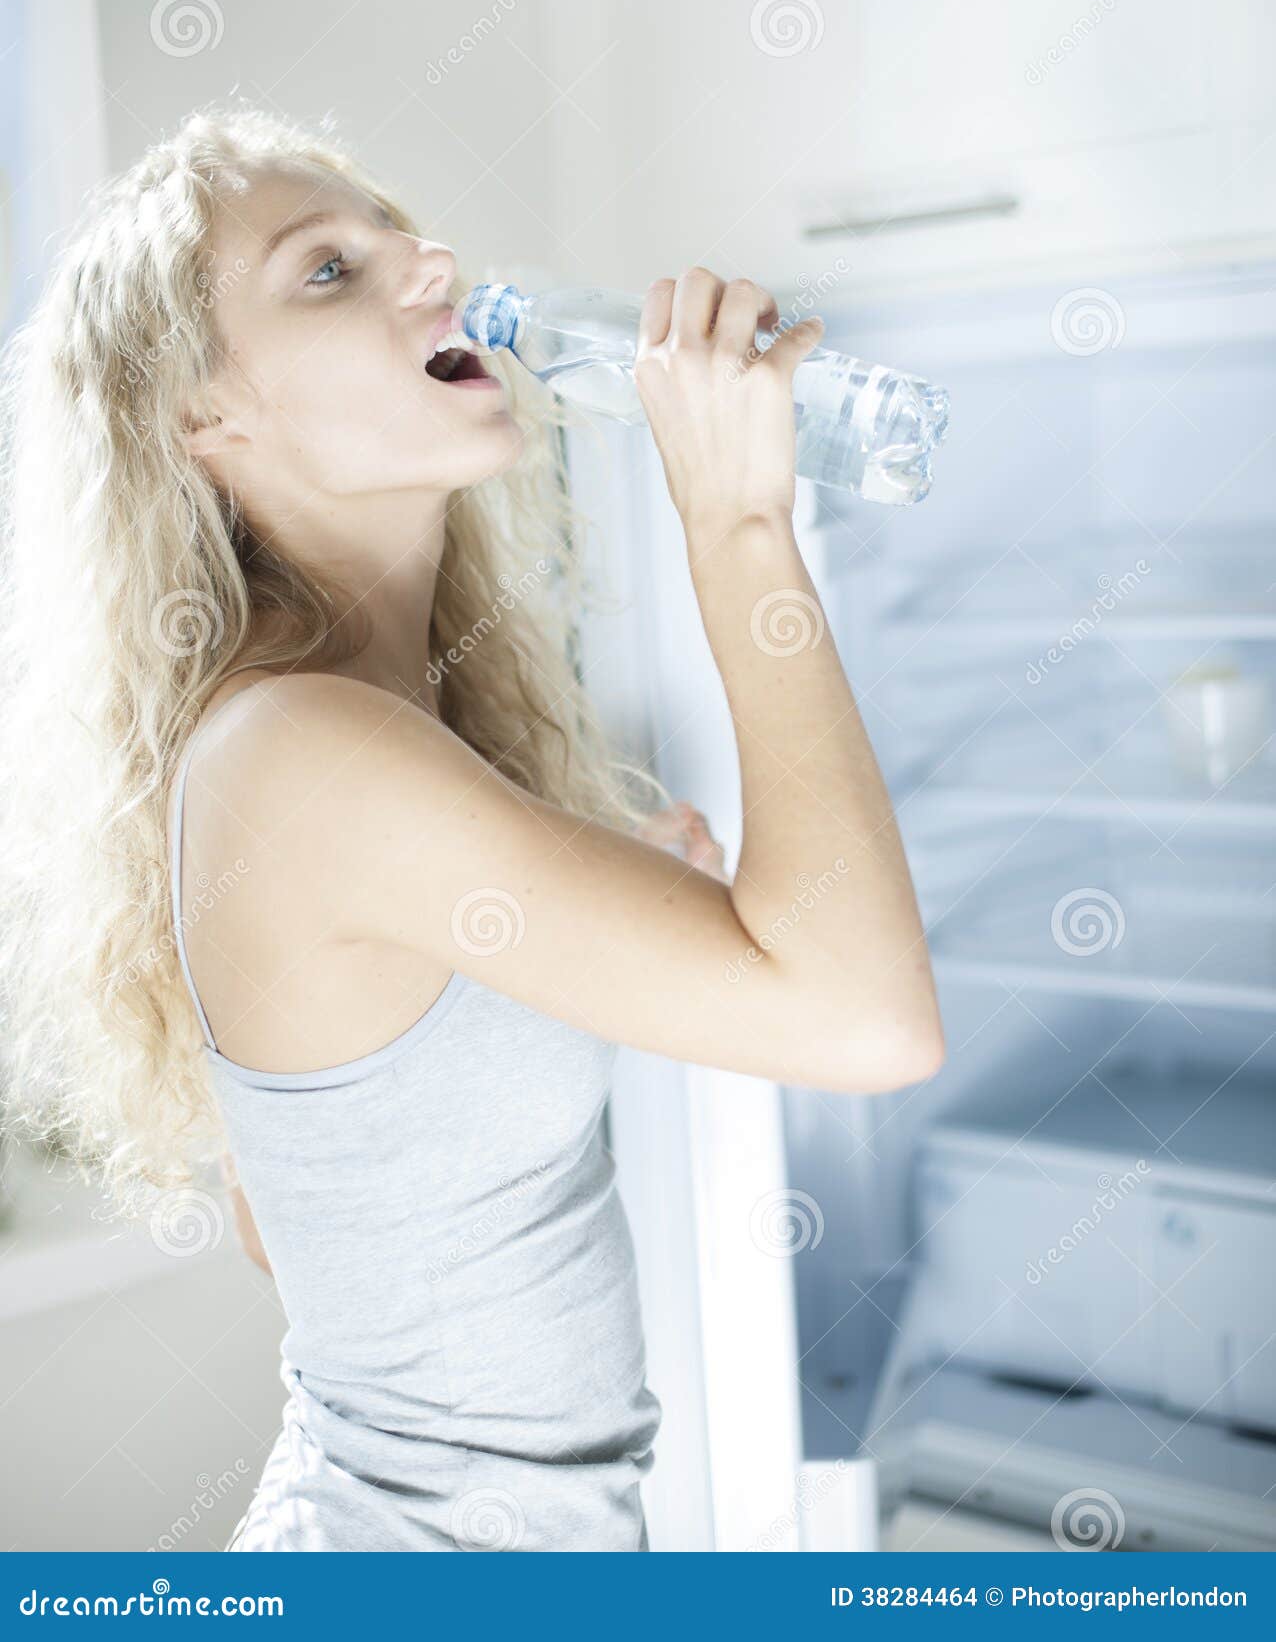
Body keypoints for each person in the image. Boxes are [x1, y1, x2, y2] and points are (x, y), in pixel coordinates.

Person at [0, 103, 943, 1552]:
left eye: (400, 237)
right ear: (205, 419)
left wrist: (589, 932)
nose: (427, 266)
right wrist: (739, 526)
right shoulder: (300, 753)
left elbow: (289, 1214)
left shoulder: (340, 727)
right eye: (327, 271)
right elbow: (871, 1022)